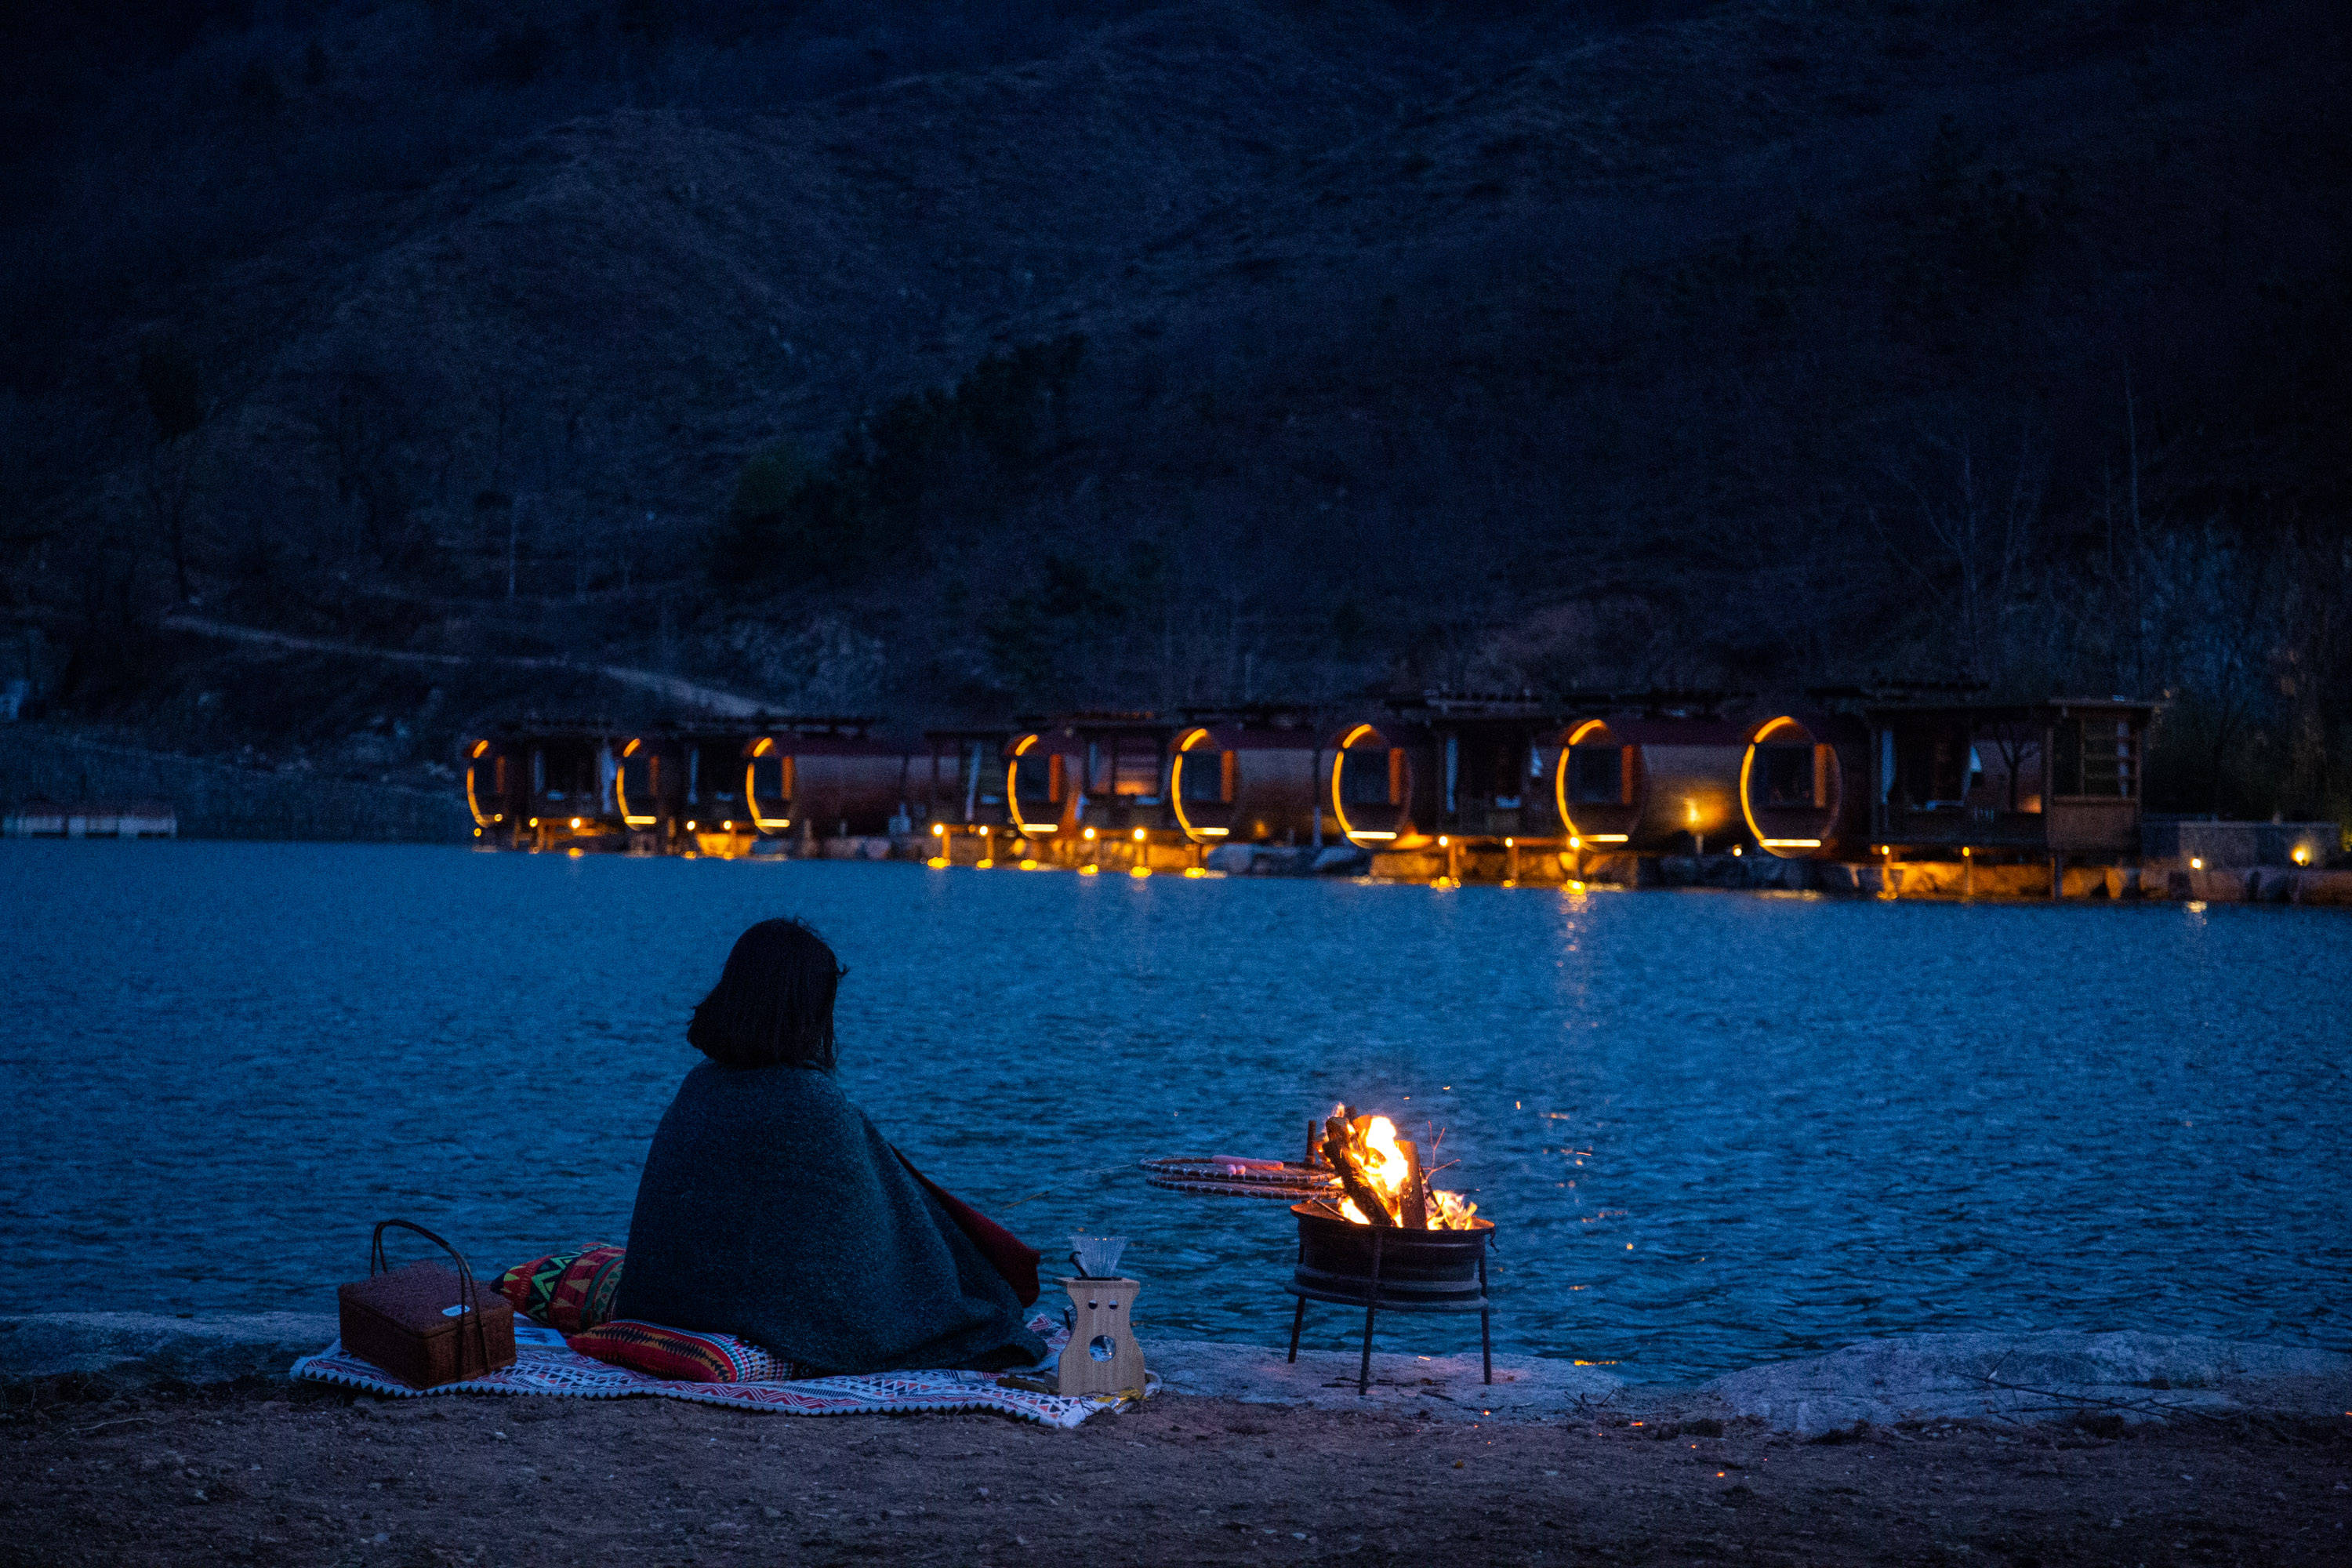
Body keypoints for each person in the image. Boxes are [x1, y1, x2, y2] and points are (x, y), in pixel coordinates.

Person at [612, 918, 1046, 1374]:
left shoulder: (700, 1085)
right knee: (982, 1317)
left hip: (665, 1303)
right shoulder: (809, 1102)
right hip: (749, 1311)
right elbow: (876, 1241)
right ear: (807, 1008)